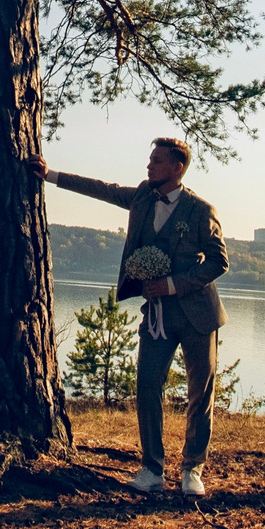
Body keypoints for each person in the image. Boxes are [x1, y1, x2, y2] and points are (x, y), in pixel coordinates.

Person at [31, 137, 228, 495]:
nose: (149, 166)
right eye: (149, 160)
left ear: (176, 167)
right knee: (148, 385)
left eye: (156, 161)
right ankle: (152, 469)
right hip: (156, 316)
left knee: (200, 393)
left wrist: (170, 285)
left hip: (199, 315)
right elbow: (102, 190)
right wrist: (51, 175)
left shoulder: (201, 210)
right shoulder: (141, 196)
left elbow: (219, 262)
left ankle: (192, 470)